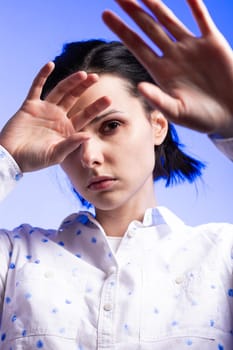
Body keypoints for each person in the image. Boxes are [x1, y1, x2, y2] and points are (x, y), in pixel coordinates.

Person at [0, 1, 232, 350]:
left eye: (111, 126)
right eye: (69, 140)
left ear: (157, 125)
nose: (89, 157)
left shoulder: (222, 256)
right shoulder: (15, 258)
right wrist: (7, 157)